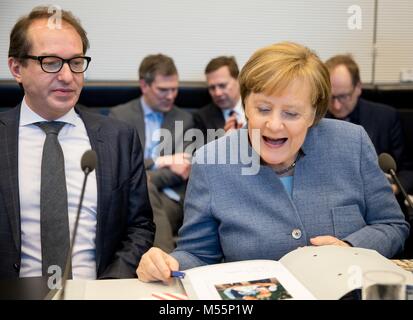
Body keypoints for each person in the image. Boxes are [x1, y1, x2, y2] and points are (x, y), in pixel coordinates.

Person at [136, 42, 409, 282]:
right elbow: (197, 253)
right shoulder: (211, 161)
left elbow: (392, 225)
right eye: (262, 109)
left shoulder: (352, 143)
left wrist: (350, 247)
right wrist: (167, 263)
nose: (274, 125)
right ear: (245, 105)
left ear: (314, 114)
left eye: (291, 113)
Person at [0, 6, 155, 280]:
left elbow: (139, 227)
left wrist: (108, 289)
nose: (67, 76)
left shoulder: (119, 138)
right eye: (50, 62)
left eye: (76, 62)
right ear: (16, 68)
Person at [109, 54, 194, 253]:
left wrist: (144, 177)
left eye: (174, 89)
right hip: (128, 195)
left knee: (143, 197)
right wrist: (161, 160)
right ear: (144, 86)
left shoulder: (185, 119)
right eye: (163, 90)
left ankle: (160, 261)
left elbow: (181, 170)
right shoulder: (119, 116)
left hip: (169, 198)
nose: (171, 96)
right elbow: (119, 166)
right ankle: (167, 264)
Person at [325, 54, 413, 195]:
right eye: (330, 97)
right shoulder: (314, 120)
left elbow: (407, 170)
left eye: (343, 97)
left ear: (358, 87)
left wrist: (392, 190)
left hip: (375, 197)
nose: (336, 106)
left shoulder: (386, 118)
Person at [193, 56, 245, 144]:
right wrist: (224, 140)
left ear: (238, 80)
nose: (217, 93)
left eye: (222, 86)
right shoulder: (202, 118)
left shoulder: (258, 109)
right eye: (212, 88)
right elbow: (200, 154)